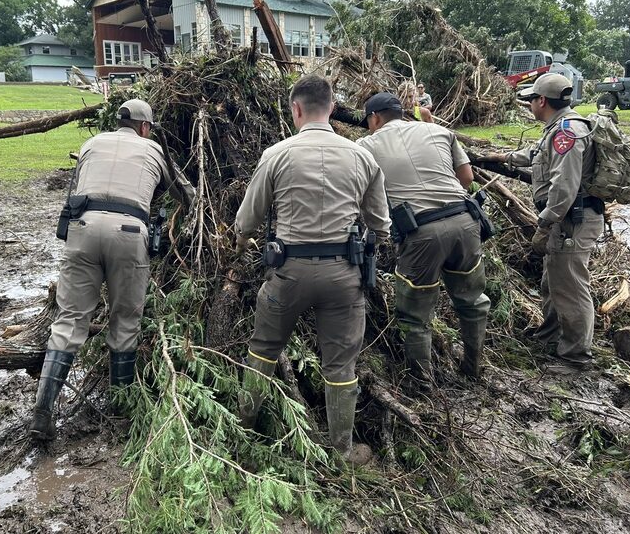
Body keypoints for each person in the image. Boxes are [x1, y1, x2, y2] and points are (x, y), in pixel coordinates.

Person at [234, 74, 391, 465]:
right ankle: (341, 450)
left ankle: (243, 429)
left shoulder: (276, 155)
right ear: (333, 109)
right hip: (344, 275)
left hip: (289, 272)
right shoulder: (362, 157)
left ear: (296, 109)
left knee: (265, 348)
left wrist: (240, 243)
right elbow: (381, 223)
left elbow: (248, 220)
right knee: (340, 363)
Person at [30, 99, 195, 442]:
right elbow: (187, 195)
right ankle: (121, 413)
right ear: (146, 127)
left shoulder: (91, 144)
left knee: (70, 319)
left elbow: (73, 188)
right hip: (129, 232)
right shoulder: (154, 149)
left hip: (82, 227)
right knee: (125, 319)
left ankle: (42, 412)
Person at [357, 92, 490, 393]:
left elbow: (364, 196)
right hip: (466, 222)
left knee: (415, 314)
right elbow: (466, 178)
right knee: (471, 302)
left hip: (422, 233)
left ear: (374, 118)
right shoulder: (439, 131)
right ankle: (473, 369)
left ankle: (422, 387)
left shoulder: (366, 146)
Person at [479, 73, 603, 374]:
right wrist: (498, 156)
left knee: (571, 286)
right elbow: (535, 156)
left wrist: (545, 223)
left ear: (542, 101)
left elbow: (564, 185)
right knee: (553, 279)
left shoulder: (567, 132)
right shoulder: (557, 128)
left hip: (572, 219)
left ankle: (576, 357)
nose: (529, 105)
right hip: (566, 219)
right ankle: (550, 337)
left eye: (531, 99)